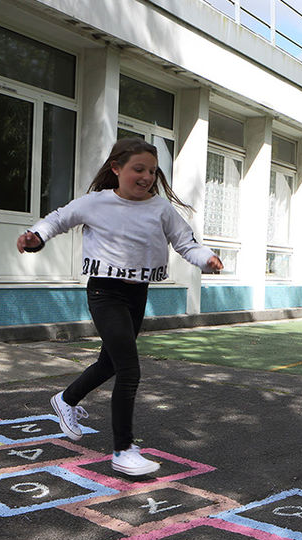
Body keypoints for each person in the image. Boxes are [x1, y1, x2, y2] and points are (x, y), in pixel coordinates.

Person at [16, 138, 223, 476]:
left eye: (153, 172)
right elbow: (56, 220)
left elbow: (186, 243)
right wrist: (35, 237)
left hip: (137, 294)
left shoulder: (160, 209)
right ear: (117, 168)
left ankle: (66, 399)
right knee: (129, 370)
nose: (146, 177)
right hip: (105, 293)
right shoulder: (95, 203)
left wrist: (207, 259)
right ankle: (123, 449)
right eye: (138, 169)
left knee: (109, 363)